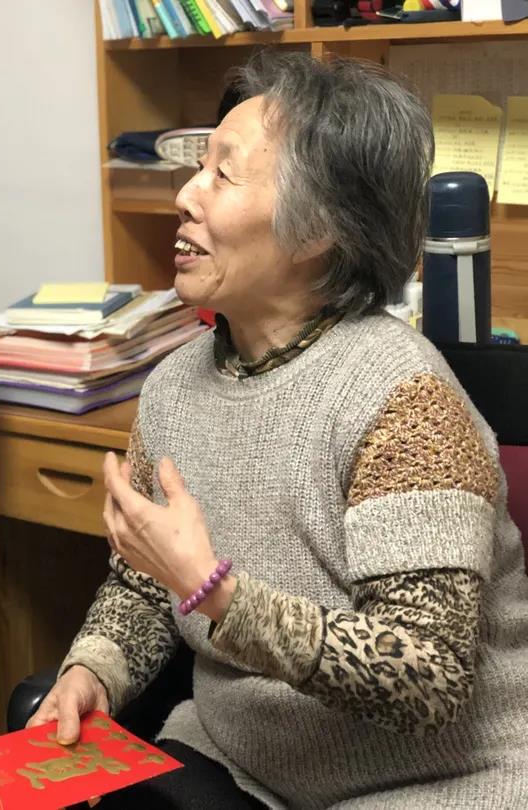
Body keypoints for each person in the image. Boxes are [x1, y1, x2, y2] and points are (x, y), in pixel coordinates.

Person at [30, 51, 528, 808]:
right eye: (196, 168)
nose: (185, 196)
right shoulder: (172, 387)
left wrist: (216, 593)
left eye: (223, 174)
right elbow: (147, 581)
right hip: (244, 762)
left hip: (433, 782)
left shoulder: (406, 400)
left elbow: (427, 676)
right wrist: (91, 669)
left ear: (318, 229)